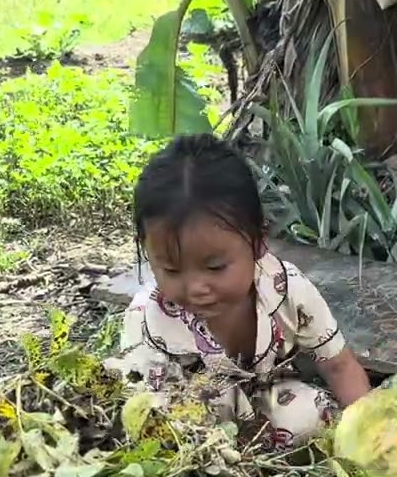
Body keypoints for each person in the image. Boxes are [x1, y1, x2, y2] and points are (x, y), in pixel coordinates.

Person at [106, 134, 372, 448]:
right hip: (194, 424)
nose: (195, 288)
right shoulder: (148, 322)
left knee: (311, 417)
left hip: (267, 403)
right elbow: (143, 410)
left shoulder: (286, 290)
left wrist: (372, 432)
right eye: (172, 270)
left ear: (257, 242)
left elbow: (338, 364)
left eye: (215, 267)